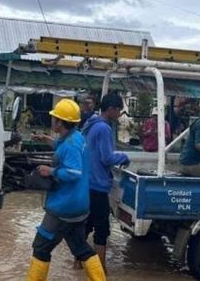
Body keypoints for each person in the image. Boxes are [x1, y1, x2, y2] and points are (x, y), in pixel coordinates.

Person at [26, 99, 105, 281]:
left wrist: (50, 170)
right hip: (79, 206)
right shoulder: (75, 137)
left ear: (60, 123)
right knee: (80, 247)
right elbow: (66, 149)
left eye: (54, 118)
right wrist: (48, 141)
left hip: (64, 207)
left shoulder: (70, 145)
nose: (52, 121)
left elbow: (74, 172)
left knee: (40, 247)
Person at [81, 92, 130, 271]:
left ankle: (77, 267)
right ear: (110, 109)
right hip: (98, 186)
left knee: (86, 227)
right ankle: (100, 271)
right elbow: (107, 158)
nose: (119, 115)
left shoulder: (90, 123)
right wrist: (124, 157)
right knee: (102, 230)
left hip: (86, 183)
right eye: (118, 111)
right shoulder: (104, 128)